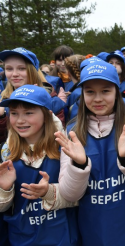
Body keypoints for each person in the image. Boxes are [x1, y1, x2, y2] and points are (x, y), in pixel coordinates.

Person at [55, 61, 125, 246]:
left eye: (105, 91)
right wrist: (79, 165)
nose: (97, 98)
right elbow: (69, 194)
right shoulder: (73, 132)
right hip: (94, 228)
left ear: (117, 92)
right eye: (90, 92)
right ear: (82, 94)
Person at [0, 85, 79, 245]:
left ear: (47, 115)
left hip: (60, 237)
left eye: (29, 113)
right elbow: (3, 207)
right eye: (14, 113)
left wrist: (49, 192)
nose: (20, 120)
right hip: (21, 238)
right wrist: (5, 189)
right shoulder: (6, 153)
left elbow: (78, 197)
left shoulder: (64, 149)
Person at [0, 48, 66, 141]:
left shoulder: (50, 98)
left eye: (22, 68)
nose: (14, 74)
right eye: (9, 69)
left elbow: (57, 138)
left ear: (33, 71)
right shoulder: (3, 98)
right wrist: (2, 117)